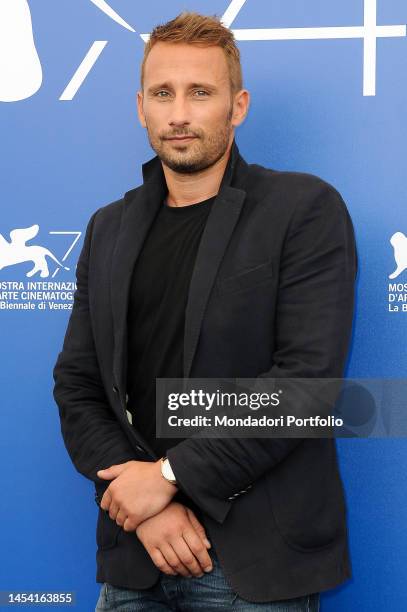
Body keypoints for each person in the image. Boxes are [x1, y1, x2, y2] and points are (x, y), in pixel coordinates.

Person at [52, 10, 357, 612]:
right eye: (163, 93)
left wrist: (167, 481)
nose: (180, 113)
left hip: (254, 563)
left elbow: (303, 388)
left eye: (201, 92)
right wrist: (142, 508)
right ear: (141, 106)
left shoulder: (303, 209)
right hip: (136, 557)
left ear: (237, 106)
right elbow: (78, 384)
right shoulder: (108, 227)